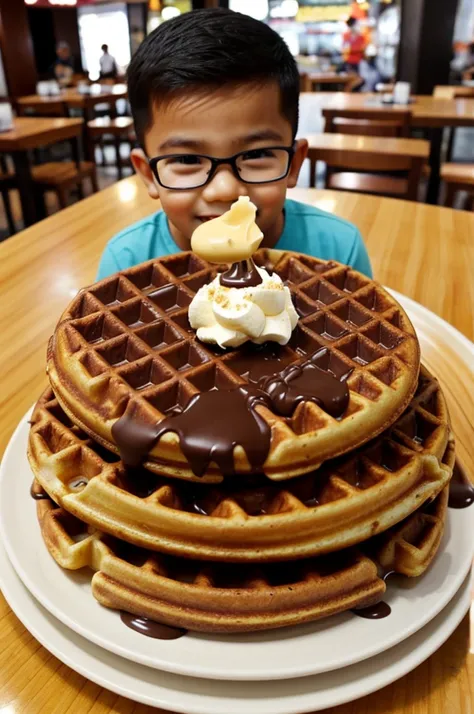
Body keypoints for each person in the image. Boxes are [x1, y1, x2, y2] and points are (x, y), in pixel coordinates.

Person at [97, 9, 372, 280]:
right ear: (148, 174)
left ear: (294, 164)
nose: (225, 191)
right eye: (187, 160)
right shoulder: (125, 261)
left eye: (257, 154)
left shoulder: (339, 250)